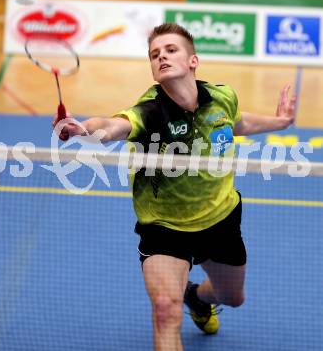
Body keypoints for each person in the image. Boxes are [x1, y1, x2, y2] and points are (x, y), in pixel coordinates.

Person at [53, 23, 296, 351]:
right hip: (164, 228)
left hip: (219, 218)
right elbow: (112, 126)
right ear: (153, 70)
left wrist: (278, 121)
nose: (162, 57)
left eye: (170, 50)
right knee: (166, 311)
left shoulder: (221, 97)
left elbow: (236, 122)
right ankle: (180, 298)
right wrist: (81, 128)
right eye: (155, 55)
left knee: (232, 297)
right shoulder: (150, 112)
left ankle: (196, 297)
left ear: (193, 60)